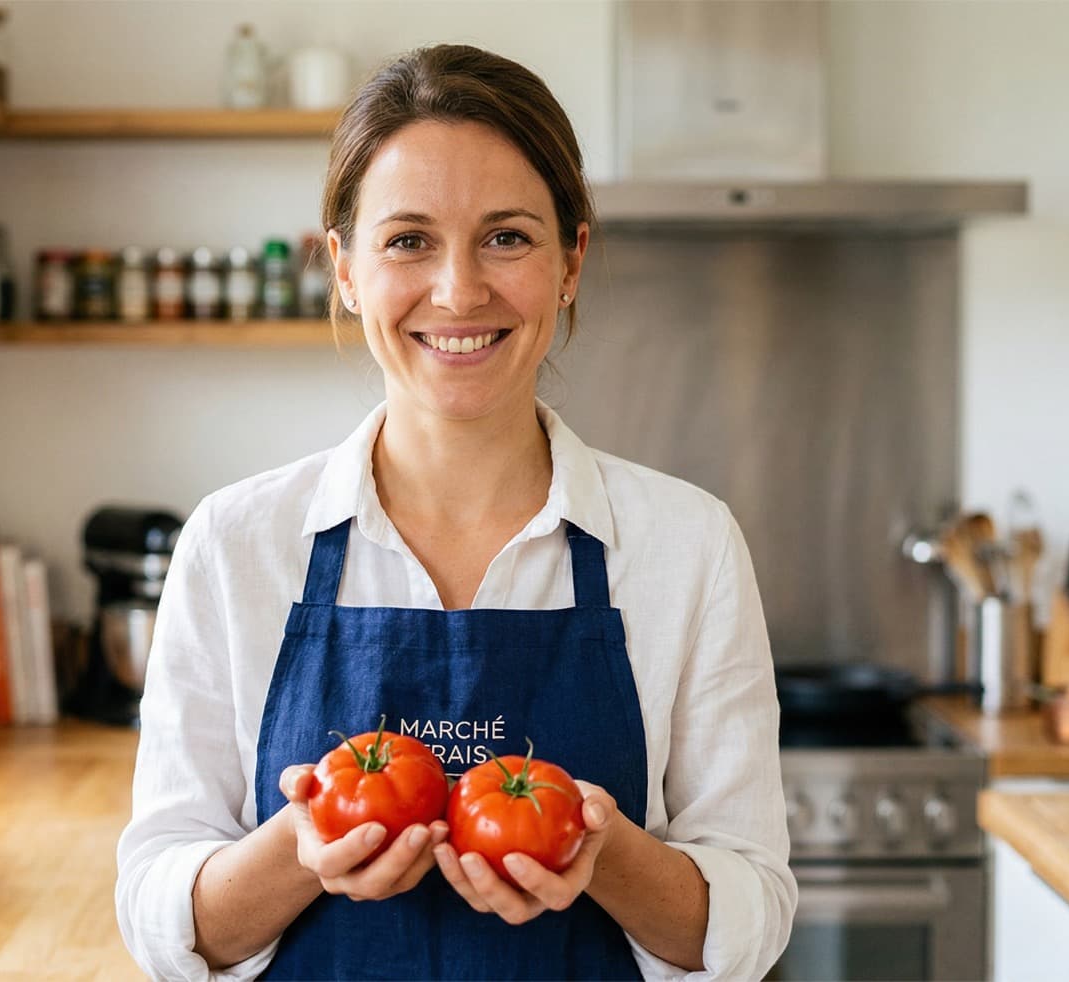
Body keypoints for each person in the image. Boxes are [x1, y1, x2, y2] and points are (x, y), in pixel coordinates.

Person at [115, 43, 795, 981]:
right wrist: (302, 850)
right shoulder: (236, 545)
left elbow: (752, 917)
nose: (458, 290)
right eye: (408, 240)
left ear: (572, 260)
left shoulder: (689, 544)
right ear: (344, 269)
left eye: (507, 236)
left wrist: (607, 856)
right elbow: (161, 916)